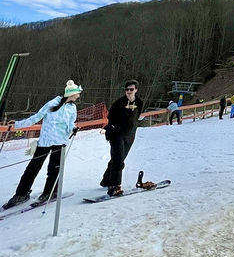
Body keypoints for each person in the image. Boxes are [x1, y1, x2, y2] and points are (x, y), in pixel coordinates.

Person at [2, 80, 82, 209]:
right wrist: (17, 125)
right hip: (45, 141)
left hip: (60, 142)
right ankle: (21, 194)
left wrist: (73, 128)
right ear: (71, 94)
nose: (78, 96)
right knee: (32, 168)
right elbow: (36, 117)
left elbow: (71, 122)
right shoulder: (52, 103)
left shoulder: (72, 107)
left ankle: (50, 192)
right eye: (77, 93)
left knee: (54, 169)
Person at [100, 79, 144, 196]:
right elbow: (111, 117)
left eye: (131, 89)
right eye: (127, 89)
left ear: (136, 90)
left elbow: (137, 116)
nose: (129, 92)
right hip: (116, 134)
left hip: (130, 135)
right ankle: (114, 185)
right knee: (118, 159)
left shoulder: (139, 102)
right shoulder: (119, 103)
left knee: (119, 158)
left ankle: (106, 180)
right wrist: (114, 127)